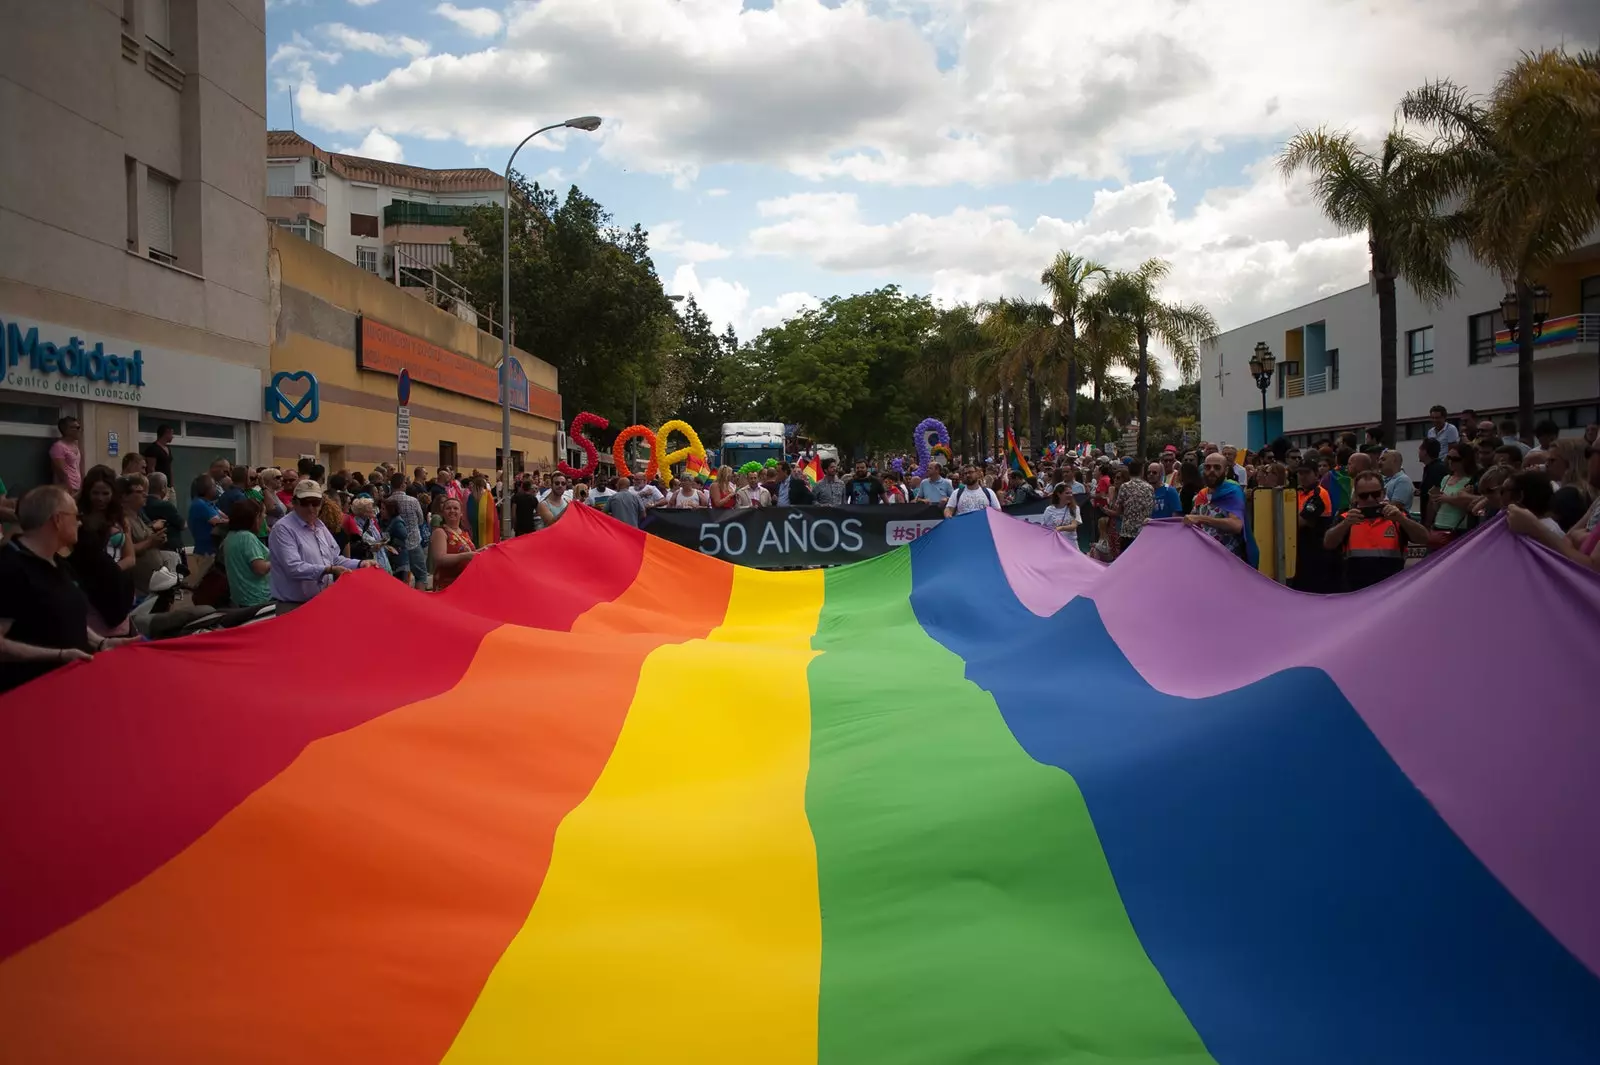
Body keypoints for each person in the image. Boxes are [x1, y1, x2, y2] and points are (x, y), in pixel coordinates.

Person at [0, 487, 136, 693]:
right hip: (30, 693)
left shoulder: (59, 562)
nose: (80, 522)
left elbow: (69, 616)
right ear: (57, 519)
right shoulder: (10, 568)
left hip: (67, 686)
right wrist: (59, 655)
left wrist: (100, 643)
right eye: (75, 516)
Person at [267, 480, 373, 607]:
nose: (311, 508)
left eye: (315, 503)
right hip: (295, 606)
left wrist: (361, 563)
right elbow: (293, 567)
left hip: (321, 602)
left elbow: (334, 558)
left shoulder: (319, 525)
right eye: (305, 503)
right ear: (295, 503)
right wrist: (328, 570)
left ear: (321, 503)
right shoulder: (283, 529)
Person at [1324, 470, 1431, 591]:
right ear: (1356, 496)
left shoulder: (1396, 516)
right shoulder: (1346, 518)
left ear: (1383, 493)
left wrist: (1402, 520)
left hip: (1392, 588)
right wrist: (1345, 524)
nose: (1370, 499)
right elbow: (1328, 544)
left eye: (1375, 494)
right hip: (1356, 590)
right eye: (1364, 496)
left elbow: (1424, 538)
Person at [1185, 452, 1246, 555]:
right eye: (1207, 467)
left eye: (1217, 467)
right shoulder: (1202, 494)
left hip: (1227, 559)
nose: (1211, 471)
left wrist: (1201, 519)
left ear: (1226, 471)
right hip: (1203, 556)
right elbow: (1190, 520)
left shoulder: (1233, 492)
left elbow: (1236, 525)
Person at [1291, 462, 1336, 593]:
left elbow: (1300, 521)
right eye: (1300, 473)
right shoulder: (1297, 492)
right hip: (1299, 550)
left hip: (1315, 550)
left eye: (1307, 473)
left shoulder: (1319, 494)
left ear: (1316, 475)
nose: (1303, 476)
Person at [220, 499, 272, 608]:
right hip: (257, 599)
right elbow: (260, 569)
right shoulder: (247, 538)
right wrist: (277, 559)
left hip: (241, 597)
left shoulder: (230, 537)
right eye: (262, 514)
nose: (264, 517)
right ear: (254, 517)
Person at [1429, 444, 1480, 542]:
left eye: (1455, 459)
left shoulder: (1470, 481)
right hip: (1439, 524)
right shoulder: (1445, 478)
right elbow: (1437, 507)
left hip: (1457, 527)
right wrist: (1435, 501)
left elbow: (1468, 506)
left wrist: (1447, 499)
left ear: (1465, 460)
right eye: (1449, 458)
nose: (1451, 461)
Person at [430, 497, 478, 591]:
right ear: (443, 513)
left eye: (455, 508)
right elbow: (440, 558)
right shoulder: (440, 532)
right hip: (448, 586)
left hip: (465, 583)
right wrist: (464, 556)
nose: (452, 510)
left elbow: (471, 553)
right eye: (448, 508)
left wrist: (484, 550)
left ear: (461, 514)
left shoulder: (464, 532)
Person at [382, 497, 412, 584]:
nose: (381, 511)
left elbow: (404, 535)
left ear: (390, 510)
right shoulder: (387, 521)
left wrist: (391, 541)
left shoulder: (397, 522)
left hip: (400, 561)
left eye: (384, 509)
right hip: (394, 560)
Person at [50, 415, 83, 492]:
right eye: (77, 428)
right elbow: (60, 470)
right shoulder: (58, 447)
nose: (79, 430)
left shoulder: (75, 446)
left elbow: (77, 468)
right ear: (67, 430)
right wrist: (68, 487)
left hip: (77, 487)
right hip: (66, 489)